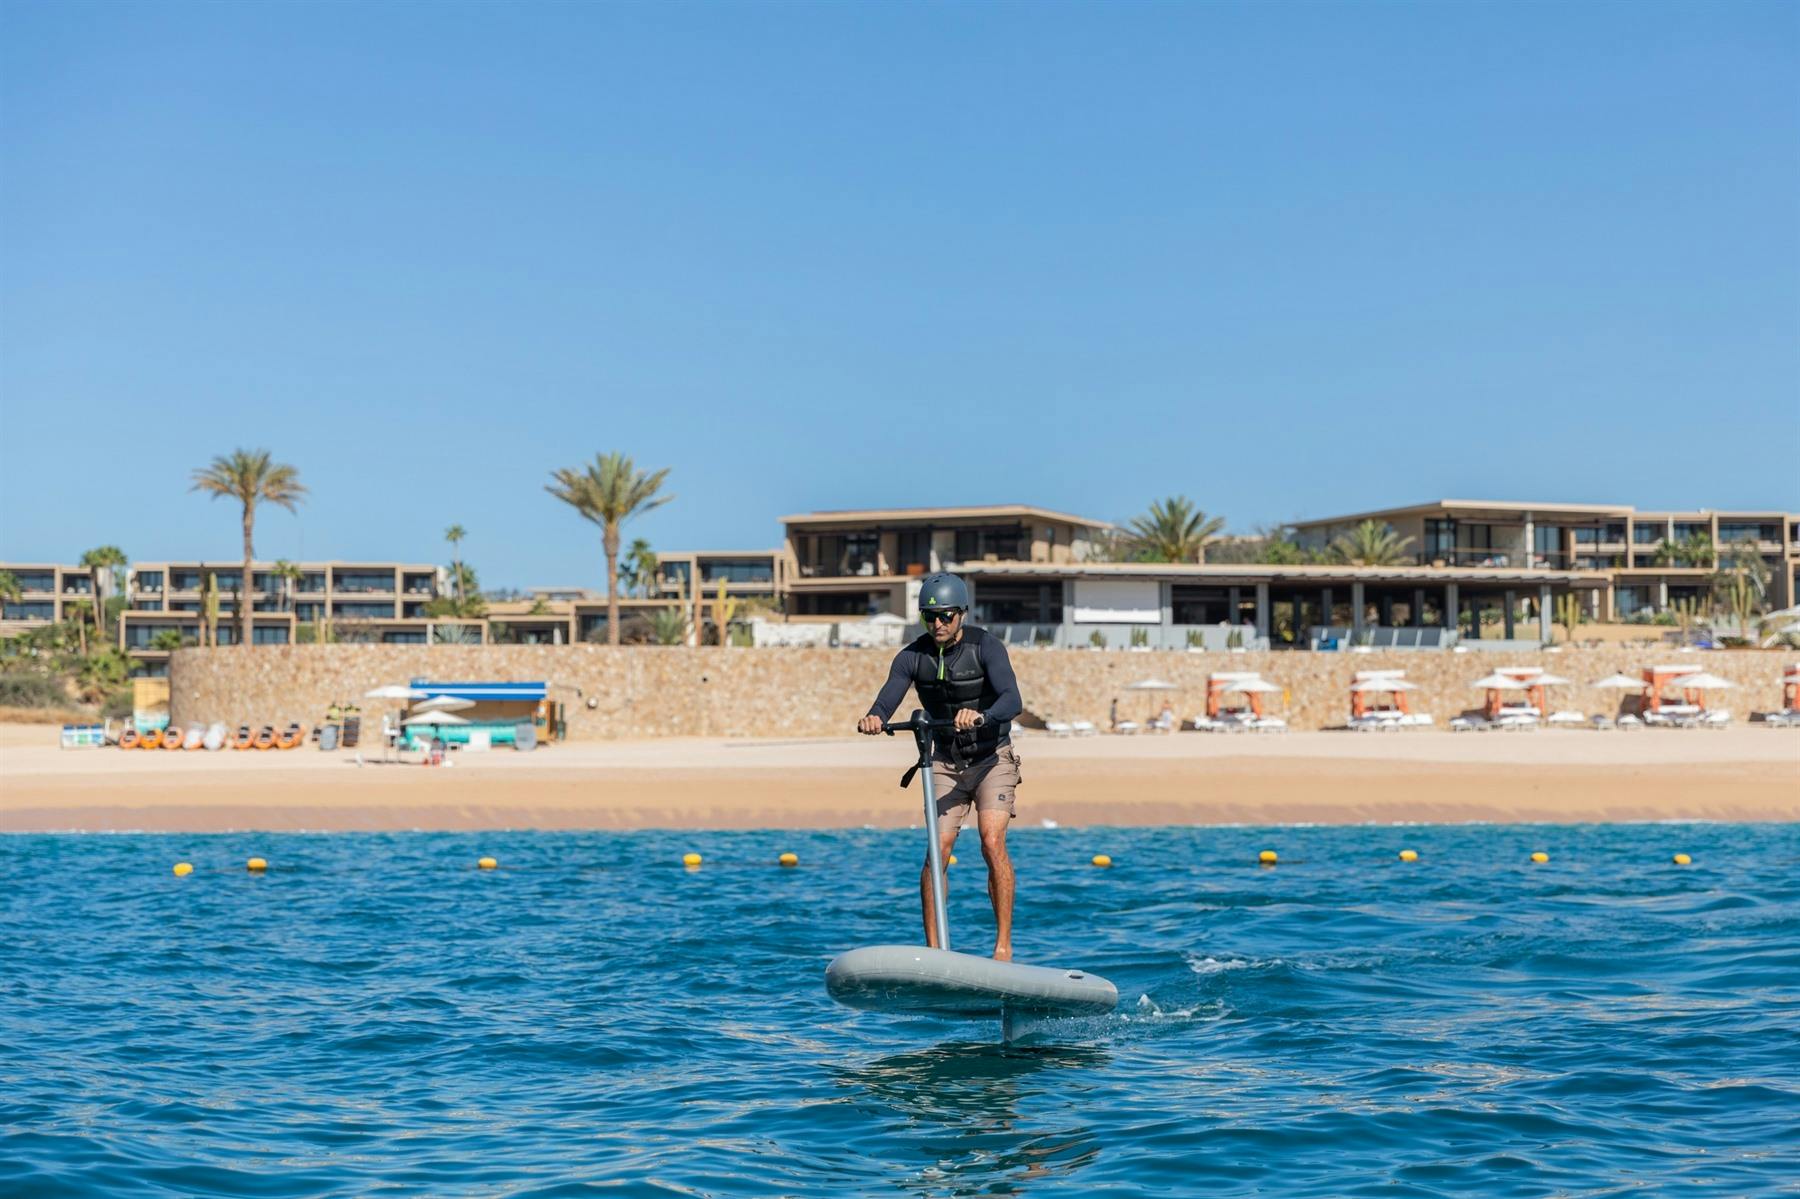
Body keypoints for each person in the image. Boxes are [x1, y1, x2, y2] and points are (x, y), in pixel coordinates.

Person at [858, 573, 1023, 960]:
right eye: (929, 617)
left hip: (990, 758)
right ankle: (935, 953)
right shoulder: (911, 657)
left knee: (991, 841)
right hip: (943, 761)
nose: (937, 625)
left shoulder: (987, 647)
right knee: (939, 849)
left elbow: (1012, 699)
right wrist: (874, 717)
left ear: (961, 614)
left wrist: (981, 717)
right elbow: (887, 699)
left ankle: (1002, 947)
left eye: (945, 616)